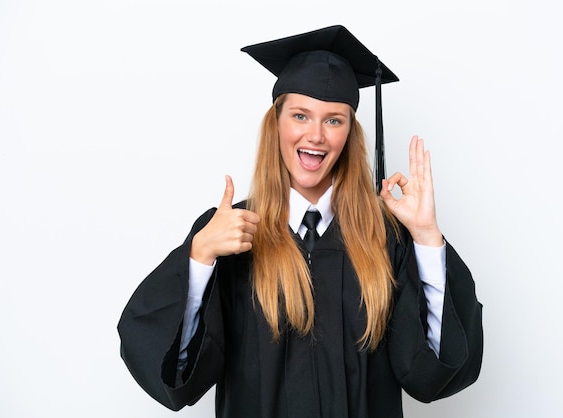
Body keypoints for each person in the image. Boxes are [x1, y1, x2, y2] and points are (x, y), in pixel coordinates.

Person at [118, 25, 483, 418]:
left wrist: (426, 237)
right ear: (276, 122)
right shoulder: (229, 232)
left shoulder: (386, 238)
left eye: (333, 120)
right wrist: (200, 257)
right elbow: (176, 375)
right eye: (300, 115)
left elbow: (431, 375)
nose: (316, 135)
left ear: (350, 134)